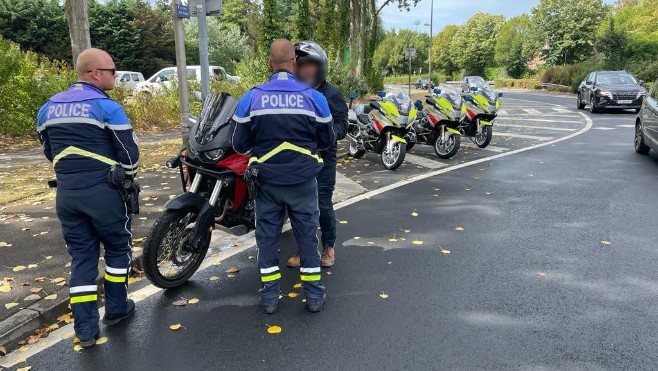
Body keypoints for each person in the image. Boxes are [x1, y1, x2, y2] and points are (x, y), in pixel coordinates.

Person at [37, 48, 139, 347]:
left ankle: (85, 329)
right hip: (103, 193)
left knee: (82, 257)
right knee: (118, 251)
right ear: (95, 73)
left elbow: (49, 151)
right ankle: (117, 310)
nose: (115, 76)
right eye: (111, 70)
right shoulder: (106, 107)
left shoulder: (48, 108)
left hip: (67, 194)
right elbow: (129, 155)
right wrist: (126, 176)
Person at [231, 39, 335, 314]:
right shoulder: (314, 97)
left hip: (266, 183)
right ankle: (313, 297)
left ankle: (269, 298)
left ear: (269, 64)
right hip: (302, 182)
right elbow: (327, 140)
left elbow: (239, 144)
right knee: (307, 240)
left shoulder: (251, 97)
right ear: (293, 64)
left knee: (267, 241)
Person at [287, 41, 348, 269]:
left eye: (311, 65)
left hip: (323, 158)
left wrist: (323, 132)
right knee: (300, 207)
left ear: (320, 67)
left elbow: (343, 126)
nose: (306, 70)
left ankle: (328, 246)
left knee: (322, 204)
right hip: (298, 159)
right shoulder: (293, 93)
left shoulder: (332, 94)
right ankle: (305, 249)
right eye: (302, 66)